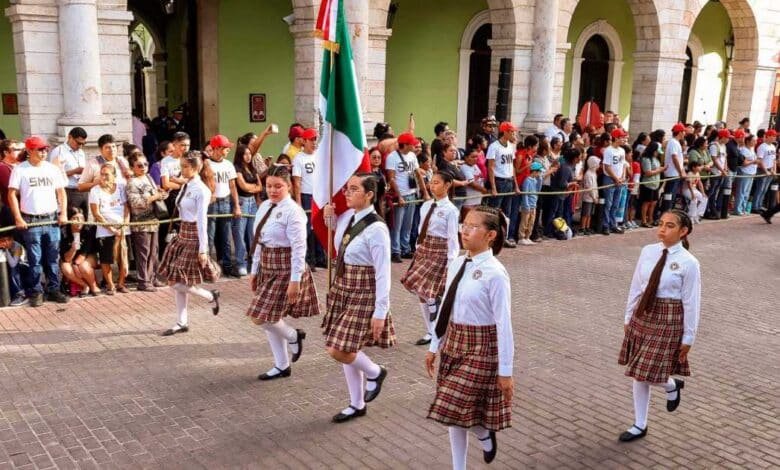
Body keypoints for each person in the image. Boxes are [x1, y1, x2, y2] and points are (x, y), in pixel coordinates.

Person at [425, 206, 514, 469]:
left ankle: (484, 433)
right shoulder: (457, 263)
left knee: (451, 405)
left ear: (491, 235)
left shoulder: (496, 273)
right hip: (454, 340)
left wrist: (506, 372)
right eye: (464, 225)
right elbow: (446, 306)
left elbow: (504, 324)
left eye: (473, 227)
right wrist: (434, 345)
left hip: (482, 346)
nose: (465, 231)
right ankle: (469, 452)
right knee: (455, 415)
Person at [618, 209, 700, 442]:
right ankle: (640, 423)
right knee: (639, 372)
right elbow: (636, 286)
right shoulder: (648, 251)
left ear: (683, 231)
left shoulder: (689, 263)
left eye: (670, 226)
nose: (662, 229)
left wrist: (688, 337)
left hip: (669, 317)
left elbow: (692, 301)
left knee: (646, 370)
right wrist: (628, 316)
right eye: (661, 223)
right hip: (644, 312)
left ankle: (670, 385)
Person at [322, 173, 394, 423]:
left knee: (338, 349)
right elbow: (342, 240)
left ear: (369, 194)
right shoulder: (347, 217)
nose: (347, 193)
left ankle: (376, 372)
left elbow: (384, 273)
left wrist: (380, 311)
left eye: (354, 189)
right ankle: (357, 403)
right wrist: (329, 218)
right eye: (347, 188)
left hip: (364, 290)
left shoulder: (377, 229)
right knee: (349, 348)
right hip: (345, 286)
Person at [245, 165, 319, 380]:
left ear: (288, 186)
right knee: (270, 317)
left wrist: (295, 280)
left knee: (259, 317)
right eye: (269, 186)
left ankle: (293, 335)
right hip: (267, 265)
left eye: (278, 186)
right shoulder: (264, 206)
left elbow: (299, 248)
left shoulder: (293, 211)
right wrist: (254, 270)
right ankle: (282, 365)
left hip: (286, 268)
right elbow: (258, 240)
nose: (272, 190)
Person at [158, 152, 221, 336]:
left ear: (195, 167)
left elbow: (202, 221)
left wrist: (203, 249)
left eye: (185, 166)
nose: (182, 169)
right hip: (182, 233)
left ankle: (210, 295)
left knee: (175, 283)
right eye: (181, 166)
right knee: (178, 282)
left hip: (193, 236)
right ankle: (182, 322)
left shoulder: (202, 190)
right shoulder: (187, 184)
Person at [8, 136, 69, 307]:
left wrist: (63, 213)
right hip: (31, 220)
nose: (43, 152)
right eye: (39, 149)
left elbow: (61, 192)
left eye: (45, 149)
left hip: (52, 219)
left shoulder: (52, 169)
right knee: (35, 259)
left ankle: (54, 289)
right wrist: (18, 217)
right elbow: (11, 194)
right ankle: (36, 291)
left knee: (53, 257)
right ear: (29, 151)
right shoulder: (20, 170)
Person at [400, 171, 460, 346]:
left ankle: (436, 322)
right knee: (419, 289)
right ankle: (431, 330)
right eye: (431, 182)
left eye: (437, 183)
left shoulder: (451, 210)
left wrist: (451, 260)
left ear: (447, 185)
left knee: (428, 291)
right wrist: (418, 247)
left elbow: (452, 237)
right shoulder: (426, 205)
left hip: (440, 250)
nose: (432, 186)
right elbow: (421, 228)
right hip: (425, 248)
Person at [126, 151, 167, 291]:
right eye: (139, 165)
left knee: (154, 251)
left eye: (145, 164)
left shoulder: (149, 177)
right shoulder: (132, 182)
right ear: (132, 167)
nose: (143, 167)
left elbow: (156, 194)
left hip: (153, 220)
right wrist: (154, 197)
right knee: (144, 252)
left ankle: (153, 277)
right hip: (140, 222)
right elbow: (135, 202)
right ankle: (143, 281)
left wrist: (161, 194)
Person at [88, 164, 129, 294]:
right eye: (102, 174)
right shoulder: (95, 190)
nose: (103, 177)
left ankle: (121, 283)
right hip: (105, 231)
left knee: (123, 258)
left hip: (123, 229)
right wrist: (112, 229)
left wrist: (125, 224)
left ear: (114, 176)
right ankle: (110, 285)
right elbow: (96, 213)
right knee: (106, 259)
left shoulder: (121, 188)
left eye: (107, 174)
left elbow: (126, 207)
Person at [386, 132, 424, 262]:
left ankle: (405, 248)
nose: (415, 147)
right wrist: (399, 196)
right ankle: (395, 251)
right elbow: (391, 178)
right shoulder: (392, 157)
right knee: (397, 226)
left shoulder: (412, 156)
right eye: (413, 144)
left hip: (411, 194)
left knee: (408, 225)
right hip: (400, 195)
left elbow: (418, 174)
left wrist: (424, 192)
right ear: (406, 145)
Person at [206, 135, 241, 275]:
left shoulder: (228, 164)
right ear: (217, 148)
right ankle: (207, 267)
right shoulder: (206, 164)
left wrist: (236, 205)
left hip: (225, 201)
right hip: (211, 203)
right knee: (210, 236)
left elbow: (232, 186)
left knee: (226, 236)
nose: (228, 150)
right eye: (225, 148)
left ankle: (227, 265)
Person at [292, 128, 326, 269]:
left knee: (319, 227)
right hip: (307, 196)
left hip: (319, 196)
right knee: (307, 229)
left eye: (315, 139)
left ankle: (320, 257)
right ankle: (308, 259)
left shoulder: (319, 156)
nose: (314, 142)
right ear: (304, 141)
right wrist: (298, 202)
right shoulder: (299, 158)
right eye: (311, 140)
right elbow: (297, 182)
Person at [485, 122, 520, 248]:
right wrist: (493, 187)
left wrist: (516, 185)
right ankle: (490, 239)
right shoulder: (494, 146)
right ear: (504, 132)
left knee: (507, 212)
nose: (513, 134)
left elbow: (512, 167)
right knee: (494, 211)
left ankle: (504, 237)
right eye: (511, 132)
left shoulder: (510, 146)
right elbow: (490, 167)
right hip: (499, 181)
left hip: (509, 180)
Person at [232, 144, 263, 277]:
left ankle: (255, 263)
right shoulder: (236, 168)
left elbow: (260, 187)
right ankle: (241, 263)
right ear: (240, 155)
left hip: (252, 202)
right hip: (242, 202)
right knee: (239, 234)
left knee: (253, 233)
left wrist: (253, 188)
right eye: (245, 154)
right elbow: (243, 186)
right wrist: (253, 187)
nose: (248, 156)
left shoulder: (252, 168)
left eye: (249, 153)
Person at [59, 207, 100, 297]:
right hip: (71, 257)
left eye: (81, 218)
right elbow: (66, 259)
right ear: (69, 219)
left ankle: (94, 286)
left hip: (87, 255)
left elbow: (83, 254)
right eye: (75, 218)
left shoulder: (89, 229)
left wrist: (75, 264)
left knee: (83, 266)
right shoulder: (63, 231)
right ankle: (84, 285)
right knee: (65, 267)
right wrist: (73, 249)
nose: (79, 221)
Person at [49, 127, 87, 214]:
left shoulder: (81, 152)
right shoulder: (59, 151)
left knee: (84, 219)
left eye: (83, 144)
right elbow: (53, 175)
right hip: (68, 191)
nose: (80, 146)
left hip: (82, 190)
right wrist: (74, 171)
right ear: (70, 137)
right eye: (78, 143)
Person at [601, 128, 628, 235]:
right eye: (622, 137)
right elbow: (607, 166)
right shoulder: (608, 150)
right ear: (616, 138)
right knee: (608, 204)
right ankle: (605, 225)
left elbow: (623, 164)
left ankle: (613, 224)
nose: (624, 139)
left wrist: (622, 176)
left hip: (619, 180)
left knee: (615, 204)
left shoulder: (622, 150)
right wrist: (616, 178)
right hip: (609, 179)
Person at [639, 142, 666, 228]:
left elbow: (656, 169)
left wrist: (661, 169)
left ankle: (651, 219)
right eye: (656, 151)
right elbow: (648, 172)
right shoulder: (646, 159)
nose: (657, 153)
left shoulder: (656, 159)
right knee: (646, 203)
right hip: (648, 184)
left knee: (654, 202)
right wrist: (660, 170)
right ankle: (644, 221)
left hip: (656, 184)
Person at [662, 124, 687, 213]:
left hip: (675, 173)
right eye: (683, 131)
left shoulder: (676, 142)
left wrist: (682, 170)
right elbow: (674, 157)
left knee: (671, 195)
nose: (684, 133)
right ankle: (665, 212)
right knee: (669, 195)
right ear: (680, 132)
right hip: (673, 173)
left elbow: (679, 159)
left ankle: (668, 212)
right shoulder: (673, 142)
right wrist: (680, 171)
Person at [752, 129, 777, 212]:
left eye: (775, 136)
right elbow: (760, 160)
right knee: (760, 189)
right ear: (768, 136)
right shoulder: (762, 146)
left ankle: (759, 205)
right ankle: (755, 207)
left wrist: (773, 170)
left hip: (770, 169)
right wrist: (766, 170)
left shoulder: (773, 146)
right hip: (762, 170)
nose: (775, 138)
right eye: (773, 136)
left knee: (765, 189)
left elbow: (774, 160)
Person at [519, 162, 543, 244]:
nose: (539, 173)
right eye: (539, 172)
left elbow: (538, 190)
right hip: (527, 205)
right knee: (524, 222)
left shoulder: (536, 180)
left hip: (533, 205)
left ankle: (527, 236)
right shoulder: (527, 180)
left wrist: (540, 180)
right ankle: (521, 237)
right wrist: (526, 205)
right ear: (535, 171)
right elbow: (525, 194)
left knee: (531, 222)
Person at [733, 133, 757, 215]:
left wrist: (754, 162)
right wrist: (753, 161)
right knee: (741, 191)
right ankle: (738, 209)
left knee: (747, 192)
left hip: (751, 173)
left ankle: (743, 208)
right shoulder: (743, 150)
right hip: (744, 172)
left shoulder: (752, 150)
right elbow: (744, 163)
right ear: (748, 141)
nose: (755, 142)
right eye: (753, 140)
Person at [580, 156, 600, 235]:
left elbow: (596, 185)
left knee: (590, 213)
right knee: (586, 213)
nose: (598, 165)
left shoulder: (594, 173)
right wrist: (594, 197)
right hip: (588, 197)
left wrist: (596, 195)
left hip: (593, 197)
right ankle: (583, 227)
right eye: (597, 164)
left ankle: (587, 227)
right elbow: (589, 187)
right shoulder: (588, 174)